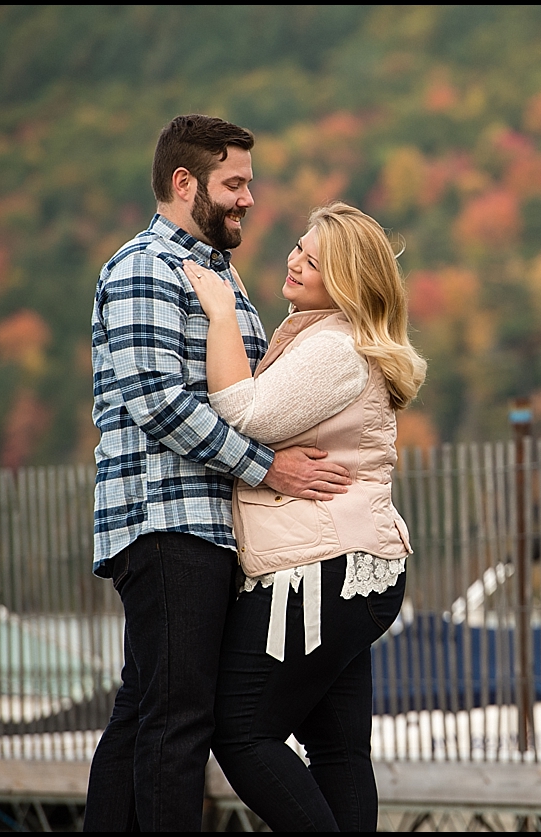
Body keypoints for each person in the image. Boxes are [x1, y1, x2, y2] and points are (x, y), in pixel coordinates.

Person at [85, 115, 352, 831]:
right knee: (178, 723)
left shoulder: (216, 276)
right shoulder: (146, 267)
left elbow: (253, 400)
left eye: (249, 184)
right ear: (184, 183)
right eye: (234, 183)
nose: (248, 200)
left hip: (202, 526)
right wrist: (271, 471)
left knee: (144, 710)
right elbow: (160, 404)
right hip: (166, 520)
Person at [181, 200, 426, 831]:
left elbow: (243, 411)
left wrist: (220, 311)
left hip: (321, 570)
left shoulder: (336, 347)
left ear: (343, 282)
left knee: (241, 732)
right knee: (338, 750)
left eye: (312, 261)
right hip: (350, 566)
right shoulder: (330, 340)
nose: (294, 262)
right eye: (296, 246)